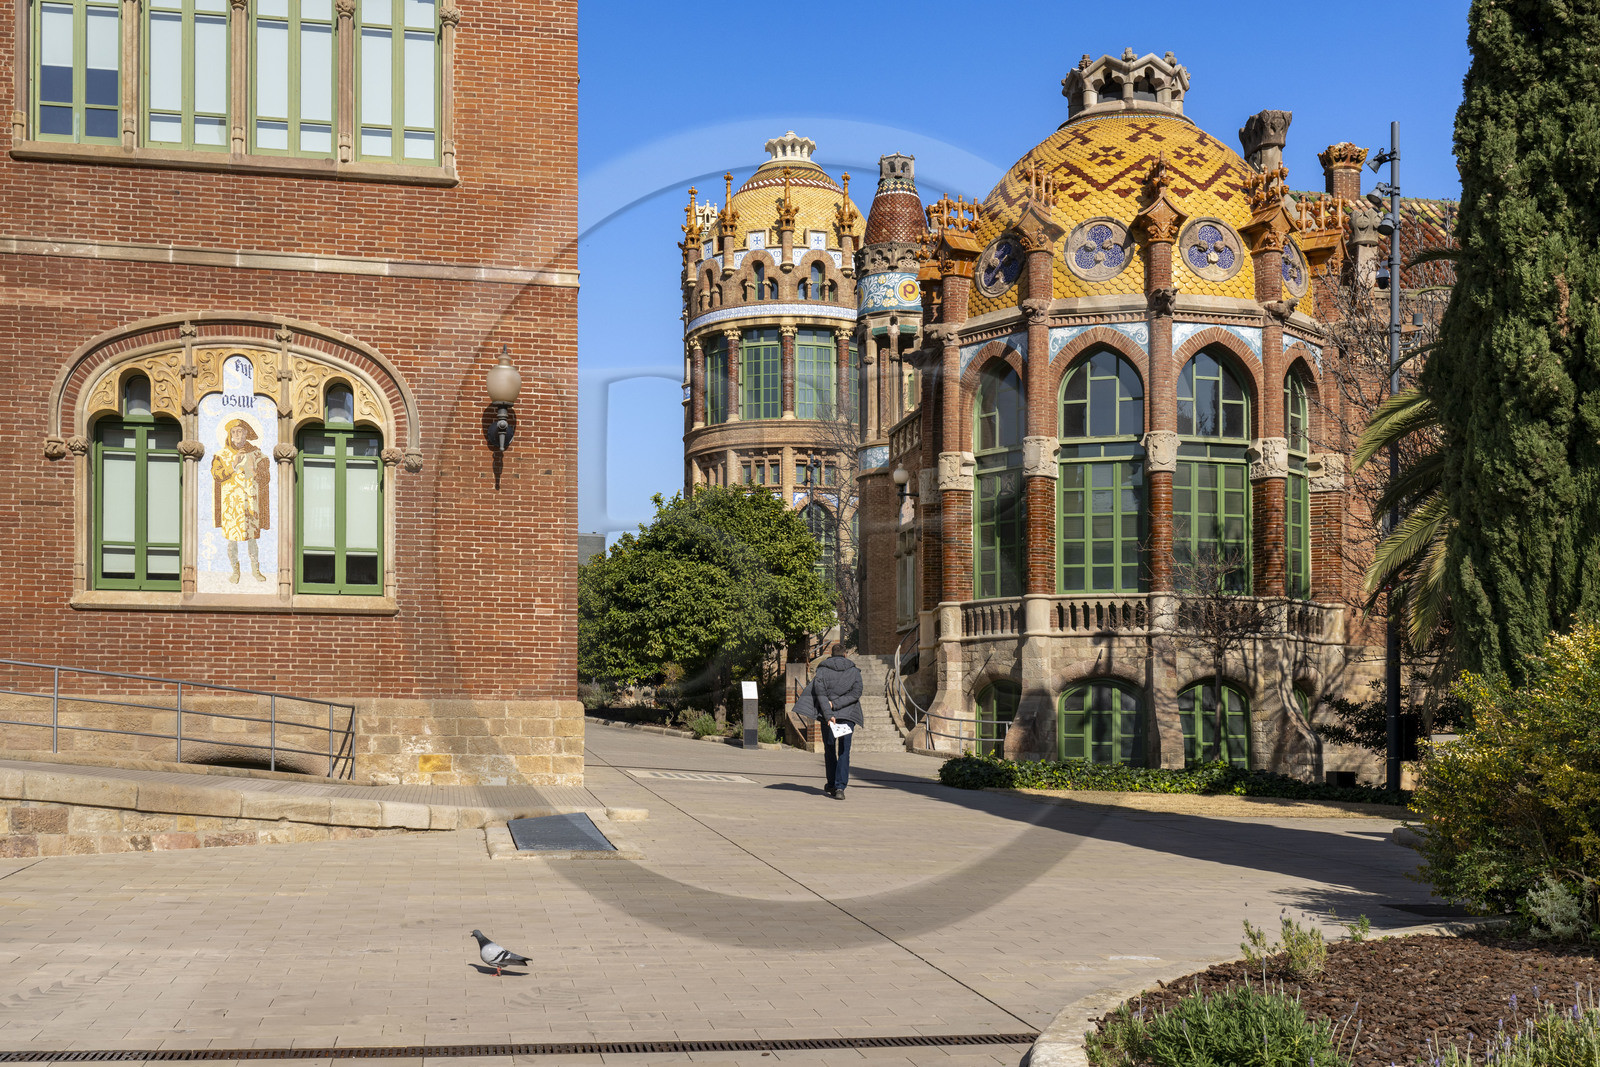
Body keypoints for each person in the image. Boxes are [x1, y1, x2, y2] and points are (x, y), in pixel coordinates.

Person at [212, 418, 270, 583]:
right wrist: (233, 464)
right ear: (230, 435)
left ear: (246, 433)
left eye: (240, 431)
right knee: (232, 540)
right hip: (231, 505)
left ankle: (255, 570)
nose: (237, 435)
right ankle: (235, 571)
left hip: (251, 503)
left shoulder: (258, 454)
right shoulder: (221, 455)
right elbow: (217, 475)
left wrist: (255, 472)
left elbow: (266, 478)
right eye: (234, 432)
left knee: (252, 539)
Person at [811, 642, 863, 800]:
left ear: (831, 655)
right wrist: (838, 704)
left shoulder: (822, 670)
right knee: (844, 751)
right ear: (845, 654)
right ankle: (840, 787)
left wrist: (828, 712)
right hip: (848, 715)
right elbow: (857, 693)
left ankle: (832, 783)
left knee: (829, 749)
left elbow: (820, 694)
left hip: (829, 717)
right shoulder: (854, 671)